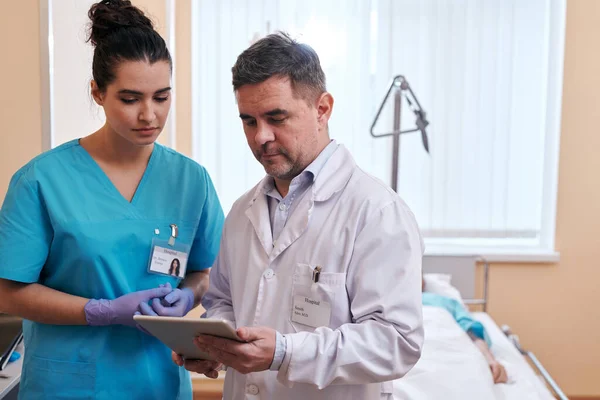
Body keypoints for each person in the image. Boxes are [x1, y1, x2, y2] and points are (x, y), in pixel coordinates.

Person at [175, 32, 424, 400]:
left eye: (276, 117)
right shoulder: (243, 211)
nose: (261, 137)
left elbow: (396, 341)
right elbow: (223, 302)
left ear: (322, 109)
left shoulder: (376, 211)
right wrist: (217, 344)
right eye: (248, 121)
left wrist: (285, 353)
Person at [0, 1, 224, 399]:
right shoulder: (41, 180)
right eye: (130, 98)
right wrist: (100, 311)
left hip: (159, 383)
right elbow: (9, 291)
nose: (149, 115)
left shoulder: (191, 180)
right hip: (68, 384)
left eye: (162, 97)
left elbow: (208, 273)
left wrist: (189, 295)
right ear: (97, 93)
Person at [421, 280, 508, 384]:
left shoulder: (443, 301)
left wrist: (490, 360)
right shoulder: (397, 302)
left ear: (423, 282)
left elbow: (471, 331)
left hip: (443, 348)